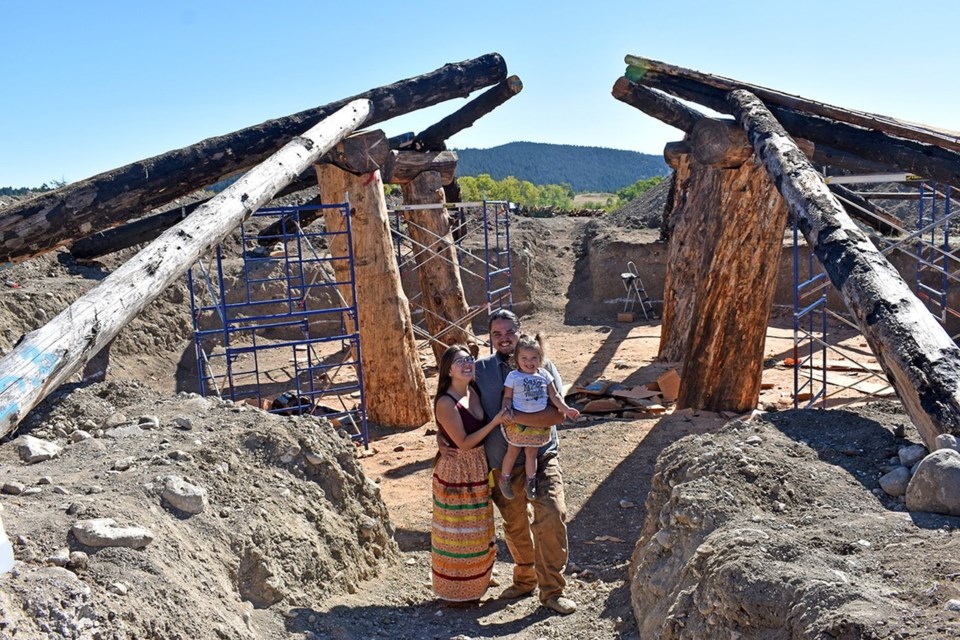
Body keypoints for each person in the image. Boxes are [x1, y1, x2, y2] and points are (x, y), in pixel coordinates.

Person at [475, 309, 578, 615]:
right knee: (515, 523)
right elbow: (463, 404)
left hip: (542, 455)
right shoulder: (481, 371)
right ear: (491, 338)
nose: (504, 338)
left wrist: (516, 418)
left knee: (552, 514)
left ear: (519, 332)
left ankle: (552, 591)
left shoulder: (541, 366)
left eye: (510, 332)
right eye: (497, 334)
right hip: (501, 462)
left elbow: (557, 412)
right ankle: (524, 579)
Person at [431, 344, 508, 603]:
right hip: (457, 471)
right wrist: (495, 421)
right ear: (448, 370)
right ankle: (454, 591)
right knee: (457, 531)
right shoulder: (445, 402)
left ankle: (478, 580)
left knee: (479, 527)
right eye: (460, 361)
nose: (467, 364)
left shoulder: (473, 391)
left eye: (470, 359)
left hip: (477, 467)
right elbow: (463, 442)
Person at [498, 334, 580, 501]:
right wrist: (505, 410)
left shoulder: (544, 375)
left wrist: (567, 409)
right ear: (517, 359)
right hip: (517, 422)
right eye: (524, 358)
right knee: (513, 450)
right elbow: (507, 397)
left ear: (540, 357)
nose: (529, 362)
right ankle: (504, 478)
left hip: (538, 424)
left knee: (531, 453)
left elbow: (555, 396)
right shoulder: (513, 376)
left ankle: (531, 481)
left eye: (534, 358)